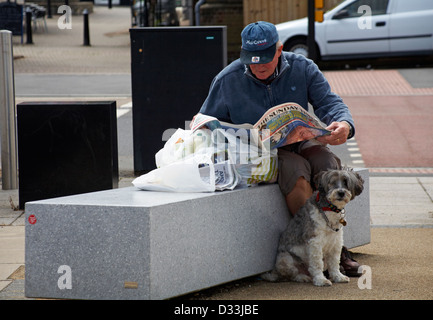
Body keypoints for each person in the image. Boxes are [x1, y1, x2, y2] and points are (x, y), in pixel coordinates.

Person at [199, 21, 360, 277]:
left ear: (279, 50)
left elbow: (330, 102)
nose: (258, 66)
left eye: (265, 58)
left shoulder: (303, 67)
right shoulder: (227, 79)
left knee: (326, 163)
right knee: (296, 173)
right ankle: (319, 251)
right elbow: (205, 122)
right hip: (261, 152)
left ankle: (337, 249)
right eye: (251, 60)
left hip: (301, 139)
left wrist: (344, 124)